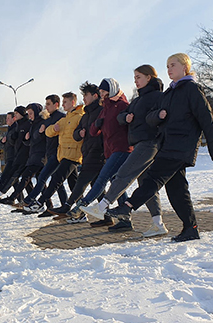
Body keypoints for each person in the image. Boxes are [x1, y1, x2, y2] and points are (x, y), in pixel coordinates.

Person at [106, 53, 213, 242]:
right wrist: (159, 116)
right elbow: (151, 118)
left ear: (184, 67)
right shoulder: (169, 92)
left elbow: (206, 117)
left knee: (154, 177)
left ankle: (127, 207)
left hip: (181, 145)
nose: (169, 69)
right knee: (177, 189)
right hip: (168, 144)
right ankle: (190, 228)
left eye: (173, 65)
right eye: (167, 66)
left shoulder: (192, 89)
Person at [80, 65, 168, 237]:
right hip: (135, 143)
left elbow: (162, 115)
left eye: (138, 77)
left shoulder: (158, 97)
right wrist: (126, 118)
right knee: (146, 185)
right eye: (134, 77)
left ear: (149, 78)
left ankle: (101, 206)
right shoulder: (137, 99)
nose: (135, 80)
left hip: (148, 143)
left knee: (123, 174)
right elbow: (123, 116)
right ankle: (158, 224)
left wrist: (156, 117)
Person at [66, 78, 132, 231]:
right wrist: (96, 126)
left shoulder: (122, 105)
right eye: (101, 92)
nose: (102, 95)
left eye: (104, 92)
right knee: (118, 183)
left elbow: (126, 125)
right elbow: (93, 132)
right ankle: (125, 220)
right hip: (110, 150)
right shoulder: (105, 109)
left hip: (121, 148)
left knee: (103, 178)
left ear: (112, 90)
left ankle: (82, 205)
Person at [47, 81, 108, 224]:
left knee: (82, 181)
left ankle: (68, 206)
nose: (84, 98)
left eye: (85, 95)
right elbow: (76, 134)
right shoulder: (86, 115)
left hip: (97, 152)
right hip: (87, 152)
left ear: (94, 96)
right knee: (97, 186)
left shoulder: (100, 111)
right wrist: (79, 134)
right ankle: (108, 217)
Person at [24, 92, 84, 213]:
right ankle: (77, 211)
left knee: (53, 179)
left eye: (65, 102)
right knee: (71, 185)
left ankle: (36, 201)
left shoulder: (76, 117)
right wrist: (48, 129)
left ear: (72, 102)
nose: (63, 104)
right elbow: (49, 132)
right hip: (61, 154)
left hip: (70, 154)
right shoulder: (65, 118)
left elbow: (78, 134)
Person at [20, 94, 68, 216]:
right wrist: (39, 132)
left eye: (48, 104)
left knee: (43, 178)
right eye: (45, 104)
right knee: (58, 183)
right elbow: (38, 138)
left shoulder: (62, 117)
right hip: (51, 153)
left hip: (59, 153)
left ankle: (30, 200)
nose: (45, 107)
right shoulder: (48, 120)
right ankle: (63, 208)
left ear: (55, 105)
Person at [0, 103, 48, 206]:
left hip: (40, 156)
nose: (29, 115)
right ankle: (46, 206)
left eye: (31, 113)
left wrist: (36, 134)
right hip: (33, 155)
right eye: (28, 113)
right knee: (39, 181)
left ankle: (21, 199)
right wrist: (27, 139)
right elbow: (28, 142)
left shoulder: (41, 123)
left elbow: (40, 139)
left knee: (27, 178)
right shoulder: (32, 124)